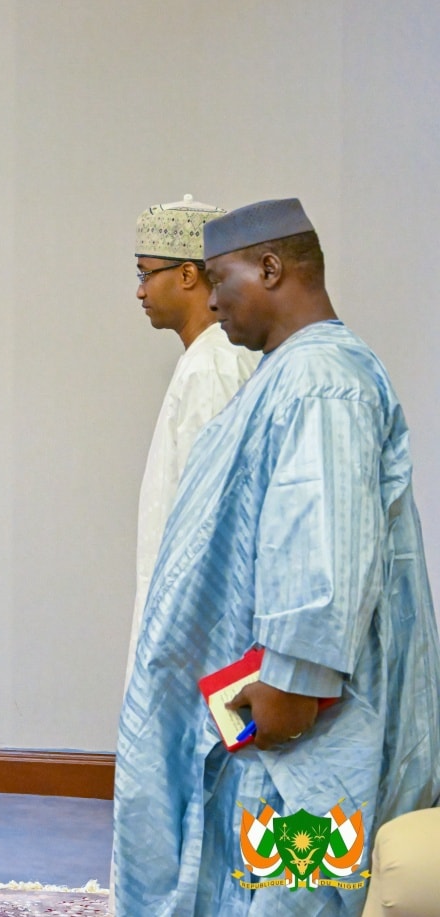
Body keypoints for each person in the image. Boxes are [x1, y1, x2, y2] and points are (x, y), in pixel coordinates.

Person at [113, 199, 440, 915]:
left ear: (269, 268)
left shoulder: (323, 382)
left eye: (219, 281)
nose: (213, 302)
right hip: (277, 716)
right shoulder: (291, 372)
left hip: (308, 728)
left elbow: (322, 545)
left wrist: (291, 685)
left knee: (296, 893)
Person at [127, 195, 258, 680]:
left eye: (145, 274)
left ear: (187, 275)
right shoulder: (206, 359)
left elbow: (213, 521)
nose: (140, 291)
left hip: (200, 635)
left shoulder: (214, 366)